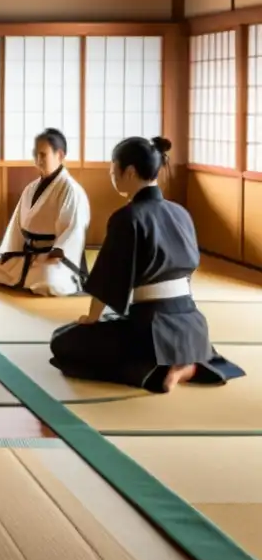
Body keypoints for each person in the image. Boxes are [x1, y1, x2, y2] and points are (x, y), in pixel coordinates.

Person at [49, 136, 246, 393]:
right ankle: (191, 364)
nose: (112, 177)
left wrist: (92, 318)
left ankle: (159, 370)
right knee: (108, 329)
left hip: (152, 330)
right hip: (193, 326)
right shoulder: (180, 213)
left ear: (129, 172)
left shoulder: (127, 217)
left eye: (113, 171)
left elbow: (110, 277)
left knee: (63, 341)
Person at [0, 128, 91, 296]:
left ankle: (53, 278)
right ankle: (27, 277)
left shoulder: (70, 190)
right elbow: (16, 229)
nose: (38, 160)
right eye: (35, 154)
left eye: (43, 155)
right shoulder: (31, 188)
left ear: (60, 155)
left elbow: (73, 232)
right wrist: (9, 254)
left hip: (54, 259)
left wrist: (54, 255)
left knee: (48, 280)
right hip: (28, 257)